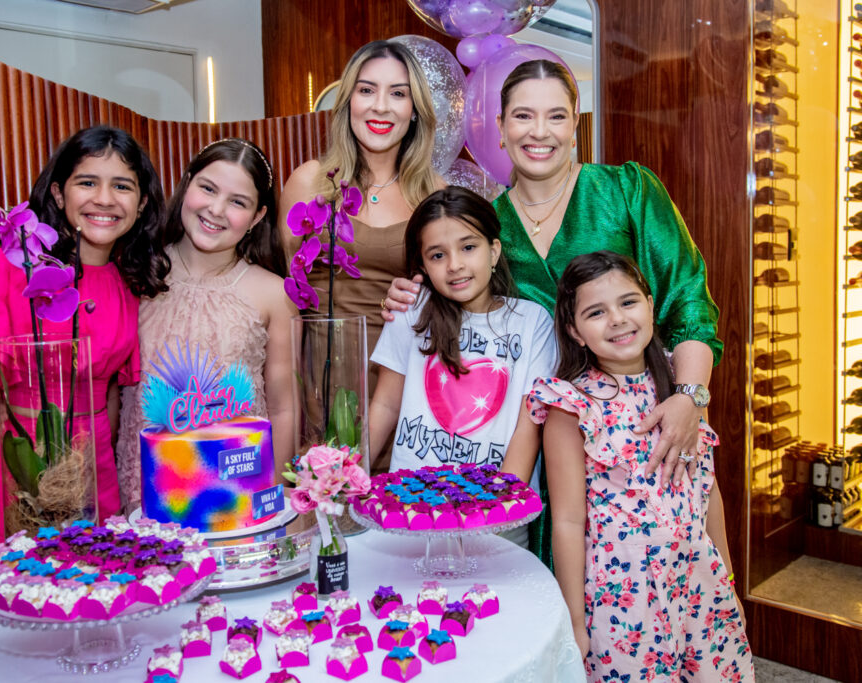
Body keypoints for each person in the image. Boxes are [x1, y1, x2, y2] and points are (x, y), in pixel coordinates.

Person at [384, 58, 721, 485]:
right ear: (501, 128)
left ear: (574, 126)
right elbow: (461, 307)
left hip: (643, 424)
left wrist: (689, 399)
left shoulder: (626, 190)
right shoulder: (486, 229)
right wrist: (410, 293)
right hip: (537, 445)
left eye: (556, 116)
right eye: (523, 116)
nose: (539, 131)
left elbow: (688, 301)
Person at [0, 125, 170, 586]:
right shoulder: (2, 272)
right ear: (58, 192)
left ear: (143, 203)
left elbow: (111, 395)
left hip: (96, 478)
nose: (105, 199)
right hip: (15, 476)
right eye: (87, 182)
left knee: (93, 611)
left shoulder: (131, 286)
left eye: (123, 186)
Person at [527, 251, 751, 681]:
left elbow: (707, 489)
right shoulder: (571, 405)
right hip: (624, 598)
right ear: (574, 331)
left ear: (651, 304)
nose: (617, 319)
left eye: (629, 302)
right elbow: (569, 522)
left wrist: (727, 576)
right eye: (596, 312)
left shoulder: (682, 389)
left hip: (698, 579)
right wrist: (575, 620)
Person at [280, 40, 443, 469]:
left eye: (398, 93)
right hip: (317, 377)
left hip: (403, 388)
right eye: (367, 90)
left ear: (414, 112)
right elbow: (284, 293)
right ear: (348, 101)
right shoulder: (309, 183)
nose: (381, 107)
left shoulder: (436, 197)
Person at [369, 187, 557, 545]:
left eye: (468, 247)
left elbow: (527, 427)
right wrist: (350, 478)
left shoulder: (532, 322)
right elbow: (386, 403)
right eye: (438, 255)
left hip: (497, 519)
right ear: (422, 265)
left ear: (494, 251)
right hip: (412, 512)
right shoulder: (412, 309)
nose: (455, 264)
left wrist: (494, 513)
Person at [116, 138, 296, 512]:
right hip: (145, 492)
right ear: (186, 183)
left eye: (237, 202)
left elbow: (283, 407)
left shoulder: (275, 294)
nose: (216, 209)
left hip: (237, 495)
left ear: (258, 216)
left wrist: (275, 502)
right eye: (208, 188)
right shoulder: (135, 274)